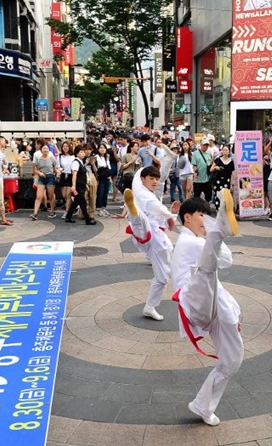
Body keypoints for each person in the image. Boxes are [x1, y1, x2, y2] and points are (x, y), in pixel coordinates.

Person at [171, 190, 241, 426]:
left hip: (210, 302)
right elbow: (220, 261)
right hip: (194, 299)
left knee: (232, 359)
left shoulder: (198, 241)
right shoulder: (189, 241)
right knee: (205, 270)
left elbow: (226, 262)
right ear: (187, 218)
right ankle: (223, 222)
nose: (204, 220)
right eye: (201, 215)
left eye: (208, 216)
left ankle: (202, 405)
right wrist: (215, 230)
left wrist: (231, 314)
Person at [125, 166, 179, 320]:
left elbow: (159, 214)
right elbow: (156, 208)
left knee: (162, 276)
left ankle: (150, 307)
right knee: (141, 221)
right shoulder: (143, 194)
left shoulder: (149, 194)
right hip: (148, 234)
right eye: (151, 178)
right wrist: (170, 214)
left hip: (155, 237)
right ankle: (134, 212)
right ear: (143, 180)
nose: (155, 181)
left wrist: (171, 215)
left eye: (156, 178)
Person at [66, 144, 96, 225]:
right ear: (77, 153)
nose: (83, 153)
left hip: (81, 185)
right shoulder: (75, 162)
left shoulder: (81, 162)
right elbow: (74, 175)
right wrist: (73, 186)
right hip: (77, 186)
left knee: (76, 202)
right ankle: (87, 219)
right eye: (81, 152)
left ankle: (68, 217)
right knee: (83, 202)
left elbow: (82, 175)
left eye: (83, 152)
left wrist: (85, 184)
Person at [30, 144, 61, 220]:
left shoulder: (52, 158)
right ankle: (35, 213)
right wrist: (40, 173)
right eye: (44, 148)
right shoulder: (38, 159)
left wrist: (58, 172)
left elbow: (55, 168)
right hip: (41, 178)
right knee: (38, 196)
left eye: (47, 148)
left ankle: (52, 211)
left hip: (50, 177)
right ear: (41, 150)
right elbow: (35, 170)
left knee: (50, 196)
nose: (45, 150)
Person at [210, 145, 235, 210]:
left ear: (229, 151)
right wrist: (216, 167)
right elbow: (211, 169)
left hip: (227, 181)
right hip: (218, 181)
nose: (225, 152)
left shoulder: (231, 162)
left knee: (226, 197)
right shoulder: (218, 160)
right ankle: (218, 210)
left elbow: (232, 173)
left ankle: (225, 211)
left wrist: (232, 183)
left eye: (226, 150)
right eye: (224, 150)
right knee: (218, 196)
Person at [95, 143, 112, 217]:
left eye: (104, 148)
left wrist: (110, 178)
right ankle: (99, 209)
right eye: (101, 148)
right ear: (98, 149)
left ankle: (103, 208)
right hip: (100, 178)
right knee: (100, 193)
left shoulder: (106, 157)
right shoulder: (96, 157)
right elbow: (96, 169)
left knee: (105, 194)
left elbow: (109, 168)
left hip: (107, 177)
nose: (102, 149)